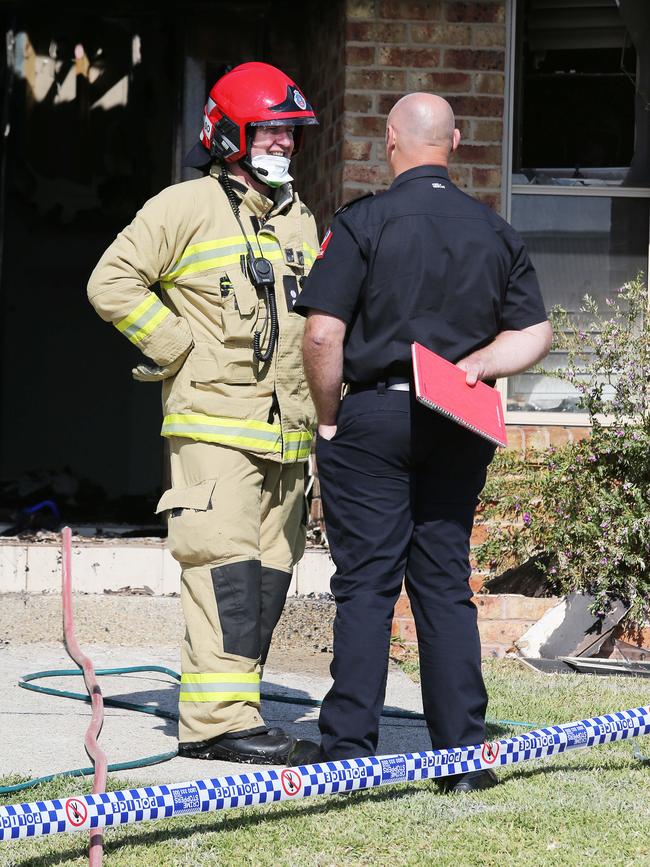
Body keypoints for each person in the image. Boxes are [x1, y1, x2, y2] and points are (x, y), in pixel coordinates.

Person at [292, 93, 552, 791]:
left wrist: (327, 417)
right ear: (457, 142)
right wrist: (479, 365)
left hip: (373, 414)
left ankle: (347, 753)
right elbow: (536, 332)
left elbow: (321, 333)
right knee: (442, 581)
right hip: (459, 419)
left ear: (390, 142)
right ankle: (464, 760)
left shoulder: (364, 222)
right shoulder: (495, 231)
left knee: (368, 584)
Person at [87, 62, 320, 765]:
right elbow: (111, 281)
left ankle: (237, 707)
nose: (283, 144)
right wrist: (177, 347)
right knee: (224, 570)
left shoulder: (299, 218)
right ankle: (215, 723)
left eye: (290, 134)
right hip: (215, 431)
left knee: (271, 575)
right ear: (228, 134)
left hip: (288, 438)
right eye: (270, 131)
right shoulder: (184, 206)